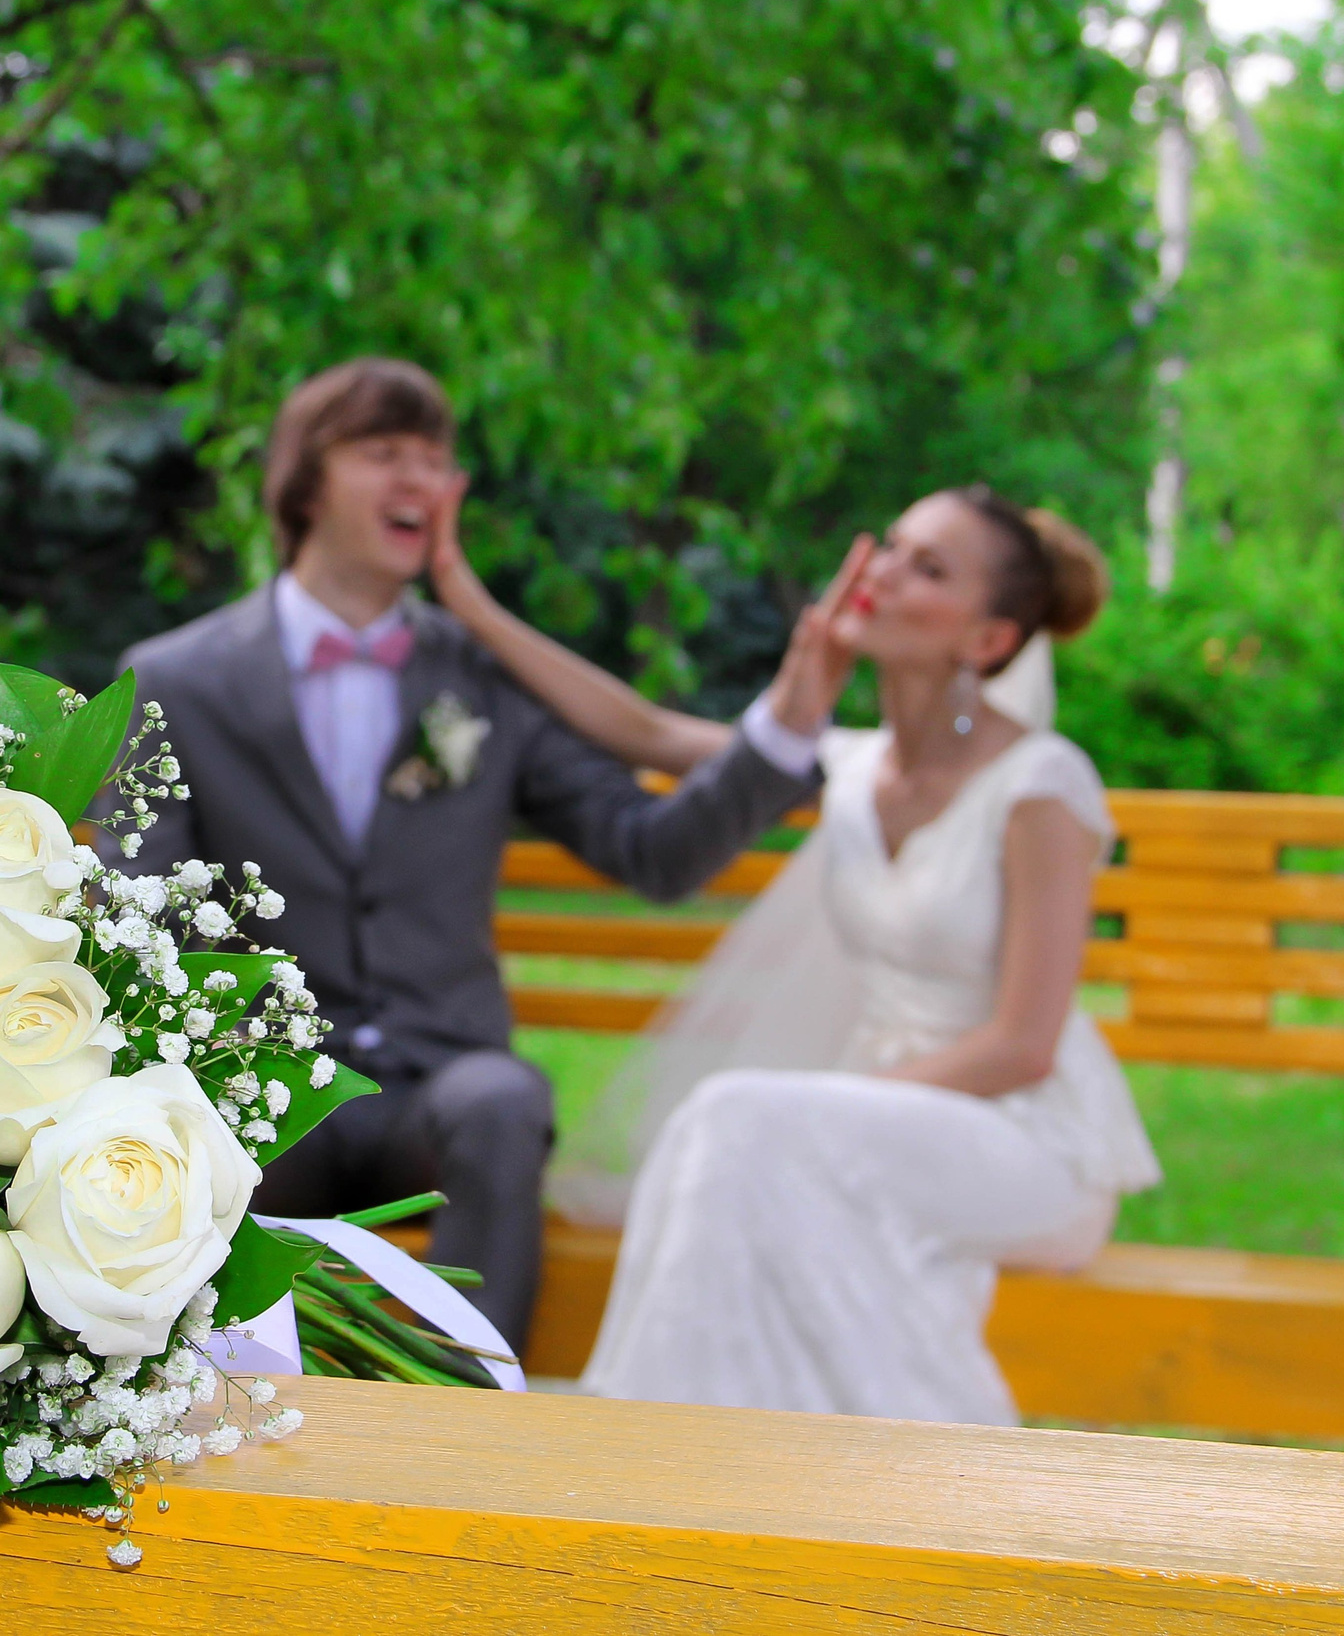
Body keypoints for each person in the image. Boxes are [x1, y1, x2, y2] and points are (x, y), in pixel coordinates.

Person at [108, 358, 854, 1352]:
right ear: (303, 481)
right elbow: (142, 919)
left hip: (441, 1088)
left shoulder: (486, 679)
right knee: (205, 1135)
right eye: (383, 454)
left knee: (503, 1100)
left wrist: (789, 727)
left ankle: (473, 1419)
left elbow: (654, 851)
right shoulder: (173, 679)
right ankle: (227, 1430)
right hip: (267, 1091)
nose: (419, 480)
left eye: (435, 458)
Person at [429, 482, 1160, 1424]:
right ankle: (682, 1446)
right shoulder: (853, 764)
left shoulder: (1041, 783)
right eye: (891, 544)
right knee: (734, 1126)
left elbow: (1024, 1044)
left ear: (986, 641)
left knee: (738, 1117)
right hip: (868, 1124)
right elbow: (643, 731)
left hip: (1024, 1137)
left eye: (928, 568)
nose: (883, 572)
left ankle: (631, 1439)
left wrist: (831, 1107)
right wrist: (467, 600)